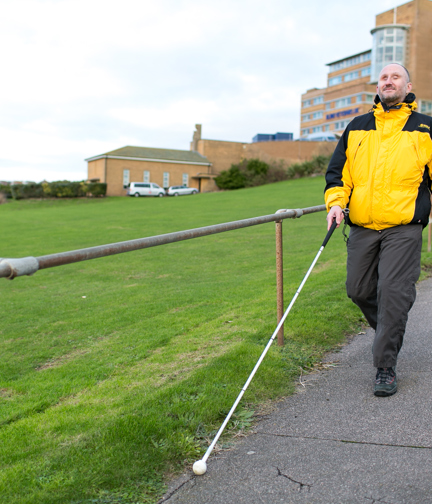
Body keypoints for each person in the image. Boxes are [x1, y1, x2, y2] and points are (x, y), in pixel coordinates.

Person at [325, 63, 432, 397]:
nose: (389, 81)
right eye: (384, 77)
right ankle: (390, 326)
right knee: (358, 289)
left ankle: (385, 365)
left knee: (393, 292)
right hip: (362, 226)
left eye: (395, 76)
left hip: (404, 226)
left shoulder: (425, 128)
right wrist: (335, 203)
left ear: (407, 85)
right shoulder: (357, 127)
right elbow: (338, 174)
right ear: (378, 87)